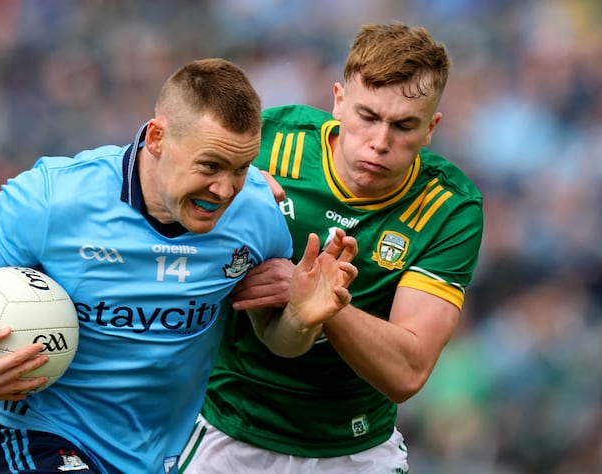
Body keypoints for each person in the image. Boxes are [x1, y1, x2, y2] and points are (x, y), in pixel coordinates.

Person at [0, 58, 358, 474]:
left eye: (240, 168)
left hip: (165, 457)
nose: (224, 189)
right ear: (157, 138)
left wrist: (299, 319)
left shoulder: (258, 215)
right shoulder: (52, 199)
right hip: (39, 436)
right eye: (210, 165)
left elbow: (273, 336)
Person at [179, 24, 484, 473]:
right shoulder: (266, 142)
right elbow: (160, 192)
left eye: (403, 126)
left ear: (431, 128)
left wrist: (326, 303)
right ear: (338, 100)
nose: (380, 143)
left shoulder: (448, 209)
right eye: (368, 116)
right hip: (227, 431)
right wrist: (219, 194)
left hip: (356, 449)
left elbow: (407, 371)